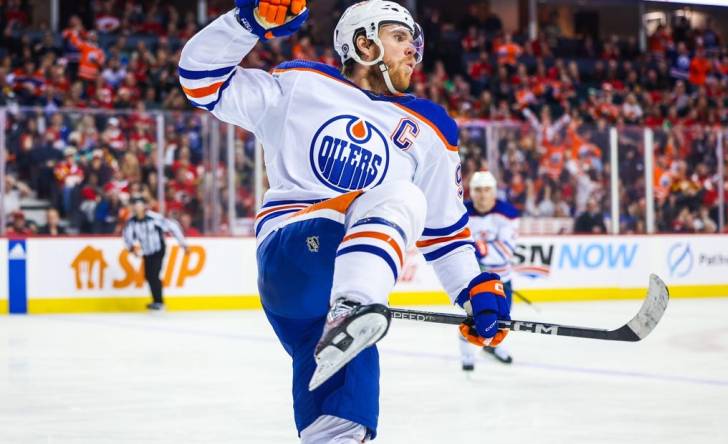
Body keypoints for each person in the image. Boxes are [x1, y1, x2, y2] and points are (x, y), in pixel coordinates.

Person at [179, 0, 511, 441]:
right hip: (294, 251)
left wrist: (474, 293)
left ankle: (349, 314)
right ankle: (352, 305)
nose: (413, 50)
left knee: (340, 428)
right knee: (399, 196)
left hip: (338, 305)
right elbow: (199, 79)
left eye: (415, 42)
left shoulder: (431, 128)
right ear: (363, 42)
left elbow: (446, 235)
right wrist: (248, 22)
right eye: (399, 37)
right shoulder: (300, 83)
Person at [460, 171, 517, 371]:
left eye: (486, 190)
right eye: (478, 190)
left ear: (493, 192)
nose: (482, 195)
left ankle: (494, 347)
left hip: (502, 279)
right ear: (471, 192)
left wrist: (478, 248)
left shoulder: (507, 213)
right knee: (470, 315)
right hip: (473, 278)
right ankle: (467, 356)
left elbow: (506, 251)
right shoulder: (461, 212)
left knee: (502, 318)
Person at [121, 196, 189, 310]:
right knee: (148, 276)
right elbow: (127, 236)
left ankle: (159, 302)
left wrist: (183, 244)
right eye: (135, 205)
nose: (137, 208)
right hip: (147, 251)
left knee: (154, 275)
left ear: (144, 207)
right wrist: (132, 248)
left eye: (139, 205)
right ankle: (156, 300)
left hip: (158, 249)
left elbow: (172, 226)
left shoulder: (154, 218)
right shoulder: (131, 221)